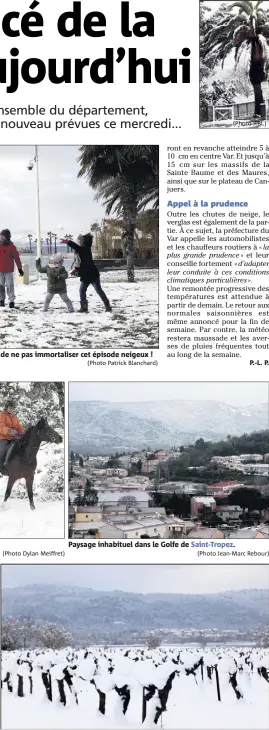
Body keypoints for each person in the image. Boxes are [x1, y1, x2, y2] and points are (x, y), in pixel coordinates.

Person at [67, 233, 112, 313]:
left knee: (98, 290)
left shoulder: (85, 249)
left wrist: (68, 242)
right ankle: (84, 307)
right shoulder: (83, 250)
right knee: (82, 290)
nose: (79, 242)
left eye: (80, 241)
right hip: (86, 275)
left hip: (93, 275)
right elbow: (82, 263)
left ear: (84, 242)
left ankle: (107, 305)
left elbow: (76, 247)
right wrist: (76, 270)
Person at [0, 229, 24, 309]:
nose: (1, 237)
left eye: (3, 236)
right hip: (0, 270)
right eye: (1, 236)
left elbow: (17, 258)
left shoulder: (12, 247)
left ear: (7, 237)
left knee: (10, 286)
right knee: (1, 286)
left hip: (9, 271)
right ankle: (1, 300)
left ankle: (11, 301)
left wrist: (20, 269)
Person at [0, 400, 24, 473]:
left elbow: (19, 426)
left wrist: (23, 433)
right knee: (2, 451)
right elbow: (1, 427)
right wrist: (10, 431)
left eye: (13, 408)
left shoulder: (14, 416)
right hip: (3, 438)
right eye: (10, 408)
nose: (12, 409)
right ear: (6, 407)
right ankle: (2, 468)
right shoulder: (2, 415)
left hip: (14, 438)